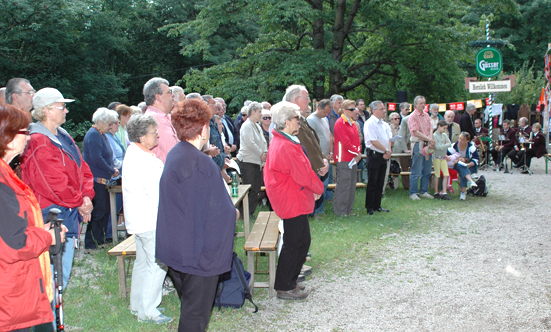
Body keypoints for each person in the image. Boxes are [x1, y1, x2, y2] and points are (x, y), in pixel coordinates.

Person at [156, 99, 237, 331]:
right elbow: (216, 212)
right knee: (195, 316)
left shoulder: (176, 154)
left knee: (191, 307)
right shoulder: (200, 163)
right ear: (203, 129)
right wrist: (234, 213)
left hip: (177, 249)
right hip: (196, 256)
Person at [0, 105, 66, 331]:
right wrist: (48, 238)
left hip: (21, 287)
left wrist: (43, 228)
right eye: (23, 132)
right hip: (13, 295)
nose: (28, 137)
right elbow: (15, 243)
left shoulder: (8, 173)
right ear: (7, 137)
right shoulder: (2, 183)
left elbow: (13, 225)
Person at [20, 87, 94, 290]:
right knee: (52, 276)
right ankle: (48, 319)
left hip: (69, 209)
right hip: (51, 214)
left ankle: (52, 316)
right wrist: (81, 202)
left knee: (62, 271)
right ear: (47, 110)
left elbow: (82, 167)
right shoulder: (38, 141)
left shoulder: (62, 135)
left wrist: (86, 197)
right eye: (62, 107)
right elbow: (54, 185)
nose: (66, 111)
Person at [264, 101, 323, 300]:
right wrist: (318, 187)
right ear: (288, 121)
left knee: (302, 241)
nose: (299, 122)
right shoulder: (285, 144)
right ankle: (284, 286)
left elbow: (303, 171)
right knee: (294, 242)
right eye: (297, 119)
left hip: (293, 196)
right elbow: (303, 174)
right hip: (291, 199)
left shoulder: (285, 140)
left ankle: (289, 281)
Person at [122, 114, 171, 324]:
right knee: (158, 265)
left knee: (142, 263)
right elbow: (157, 194)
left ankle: (137, 305)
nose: (157, 135)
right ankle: (149, 311)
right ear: (142, 137)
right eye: (153, 132)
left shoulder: (135, 153)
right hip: (150, 219)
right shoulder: (143, 159)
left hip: (139, 219)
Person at [83, 108, 120, 250]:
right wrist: (111, 170)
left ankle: (99, 239)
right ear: (99, 121)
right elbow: (96, 157)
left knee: (103, 211)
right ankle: (91, 242)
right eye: (108, 123)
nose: (110, 126)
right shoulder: (94, 134)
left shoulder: (101, 134)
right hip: (96, 180)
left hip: (103, 180)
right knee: (99, 211)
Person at [236, 102, 267, 216]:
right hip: (247, 162)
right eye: (259, 112)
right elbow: (250, 143)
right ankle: (243, 214)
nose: (261, 114)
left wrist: (265, 152)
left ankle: (250, 213)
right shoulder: (247, 125)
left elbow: (263, 141)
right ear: (252, 112)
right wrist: (261, 153)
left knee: (256, 189)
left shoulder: (256, 125)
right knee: (248, 189)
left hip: (256, 162)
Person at [333, 99, 361, 216]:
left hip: (353, 158)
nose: (354, 111)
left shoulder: (352, 123)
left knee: (351, 185)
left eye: (354, 108)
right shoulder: (340, 123)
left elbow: (357, 140)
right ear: (344, 110)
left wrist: (358, 152)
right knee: (344, 185)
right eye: (351, 109)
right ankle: (340, 211)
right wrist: (357, 153)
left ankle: (348, 210)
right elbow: (345, 142)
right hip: (343, 158)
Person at [364, 101, 391, 215]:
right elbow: (373, 141)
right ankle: (369, 206)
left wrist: (388, 150)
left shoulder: (383, 124)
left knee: (380, 181)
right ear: (374, 111)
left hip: (383, 154)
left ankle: (377, 205)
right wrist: (385, 150)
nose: (384, 111)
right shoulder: (370, 123)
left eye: (384, 109)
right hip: (374, 154)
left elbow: (389, 138)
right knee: (373, 182)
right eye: (381, 109)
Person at [143, 77, 178, 163]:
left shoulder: (159, 116)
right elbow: (175, 152)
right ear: (158, 97)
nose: (172, 95)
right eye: (169, 92)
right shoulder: (157, 119)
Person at [307, 99, 332, 214]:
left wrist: (330, 152)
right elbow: (311, 141)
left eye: (328, 112)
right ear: (318, 108)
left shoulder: (325, 119)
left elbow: (328, 136)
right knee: (316, 184)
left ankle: (319, 209)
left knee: (324, 184)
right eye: (324, 112)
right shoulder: (311, 120)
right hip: (317, 158)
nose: (326, 115)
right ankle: (313, 210)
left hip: (325, 157)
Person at [409, 96, 435, 200]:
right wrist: (429, 139)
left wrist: (431, 140)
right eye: (420, 103)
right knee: (416, 169)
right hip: (418, 144)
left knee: (427, 169)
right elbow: (415, 131)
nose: (423, 105)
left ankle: (424, 190)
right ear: (415, 104)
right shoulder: (413, 116)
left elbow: (430, 128)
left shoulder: (427, 115)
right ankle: (413, 192)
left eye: (424, 103)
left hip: (427, 144)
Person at [448, 132, 479, 200]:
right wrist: (457, 159)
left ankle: (463, 192)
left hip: (469, 166)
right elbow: (448, 156)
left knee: (463, 170)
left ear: (467, 141)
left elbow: (476, 159)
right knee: (462, 167)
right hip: (456, 165)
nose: (460, 141)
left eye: (462, 140)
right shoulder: (454, 146)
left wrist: (469, 164)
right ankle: (469, 183)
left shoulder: (471, 147)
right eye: (459, 139)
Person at [432, 120, 452, 200]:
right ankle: (436, 192)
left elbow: (449, 143)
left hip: (443, 156)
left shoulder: (444, 135)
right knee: (437, 174)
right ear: (439, 126)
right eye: (444, 128)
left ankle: (444, 192)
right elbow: (437, 147)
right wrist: (444, 145)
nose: (444, 130)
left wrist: (442, 145)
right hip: (436, 156)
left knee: (446, 174)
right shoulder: (434, 135)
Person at [394, 102, 412, 190]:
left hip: (412, 144)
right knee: (403, 167)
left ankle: (412, 185)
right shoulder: (400, 118)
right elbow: (401, 136)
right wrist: (404, 148)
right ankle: (406, 186)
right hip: (401, 146)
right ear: (401, 108)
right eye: (406, 109)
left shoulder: (412, 118)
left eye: (409, 109)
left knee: (412, 166)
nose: (407, 111)